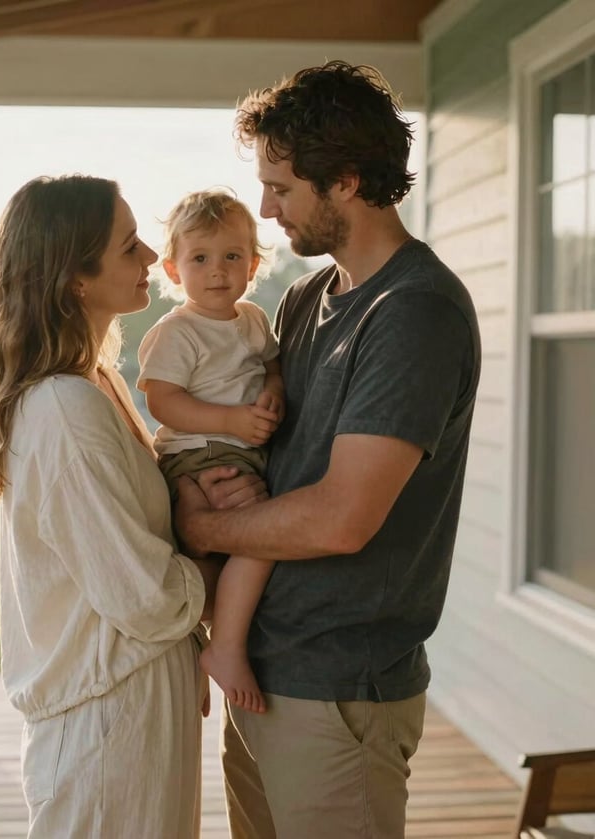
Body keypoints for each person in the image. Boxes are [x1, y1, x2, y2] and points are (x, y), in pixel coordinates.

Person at [173, 61, 482, 839]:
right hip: (262, 671)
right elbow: (273, 460)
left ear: (344, 180)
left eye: (281, 187)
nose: (266, 208)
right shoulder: (311, 296)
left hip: (341, 692)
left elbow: (341, 518)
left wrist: (204, 530)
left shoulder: (414, 312)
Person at [0, 174, 252, 838]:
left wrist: (197, 495)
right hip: (108, 724)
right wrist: (213, 560)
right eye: (128, 245)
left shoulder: (100, 380)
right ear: (75, 277)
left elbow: (131, 534)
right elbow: (142, 593)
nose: (151, 257)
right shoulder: (62, 407)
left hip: (140, 704)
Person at [137, 188, 284, 714]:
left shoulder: (253, 321)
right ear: (174, 271)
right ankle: (224, 644)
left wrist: (274, 393)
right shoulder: (177, 332)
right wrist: (232, 420)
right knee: (261, 536)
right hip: (199, 452)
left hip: (240, 447)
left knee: (237, 550)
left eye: (231, 257)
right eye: (200, 259)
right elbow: (163, 401)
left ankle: (212, 638)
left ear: (254, 264)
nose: (218, 271)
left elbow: (270, 365)